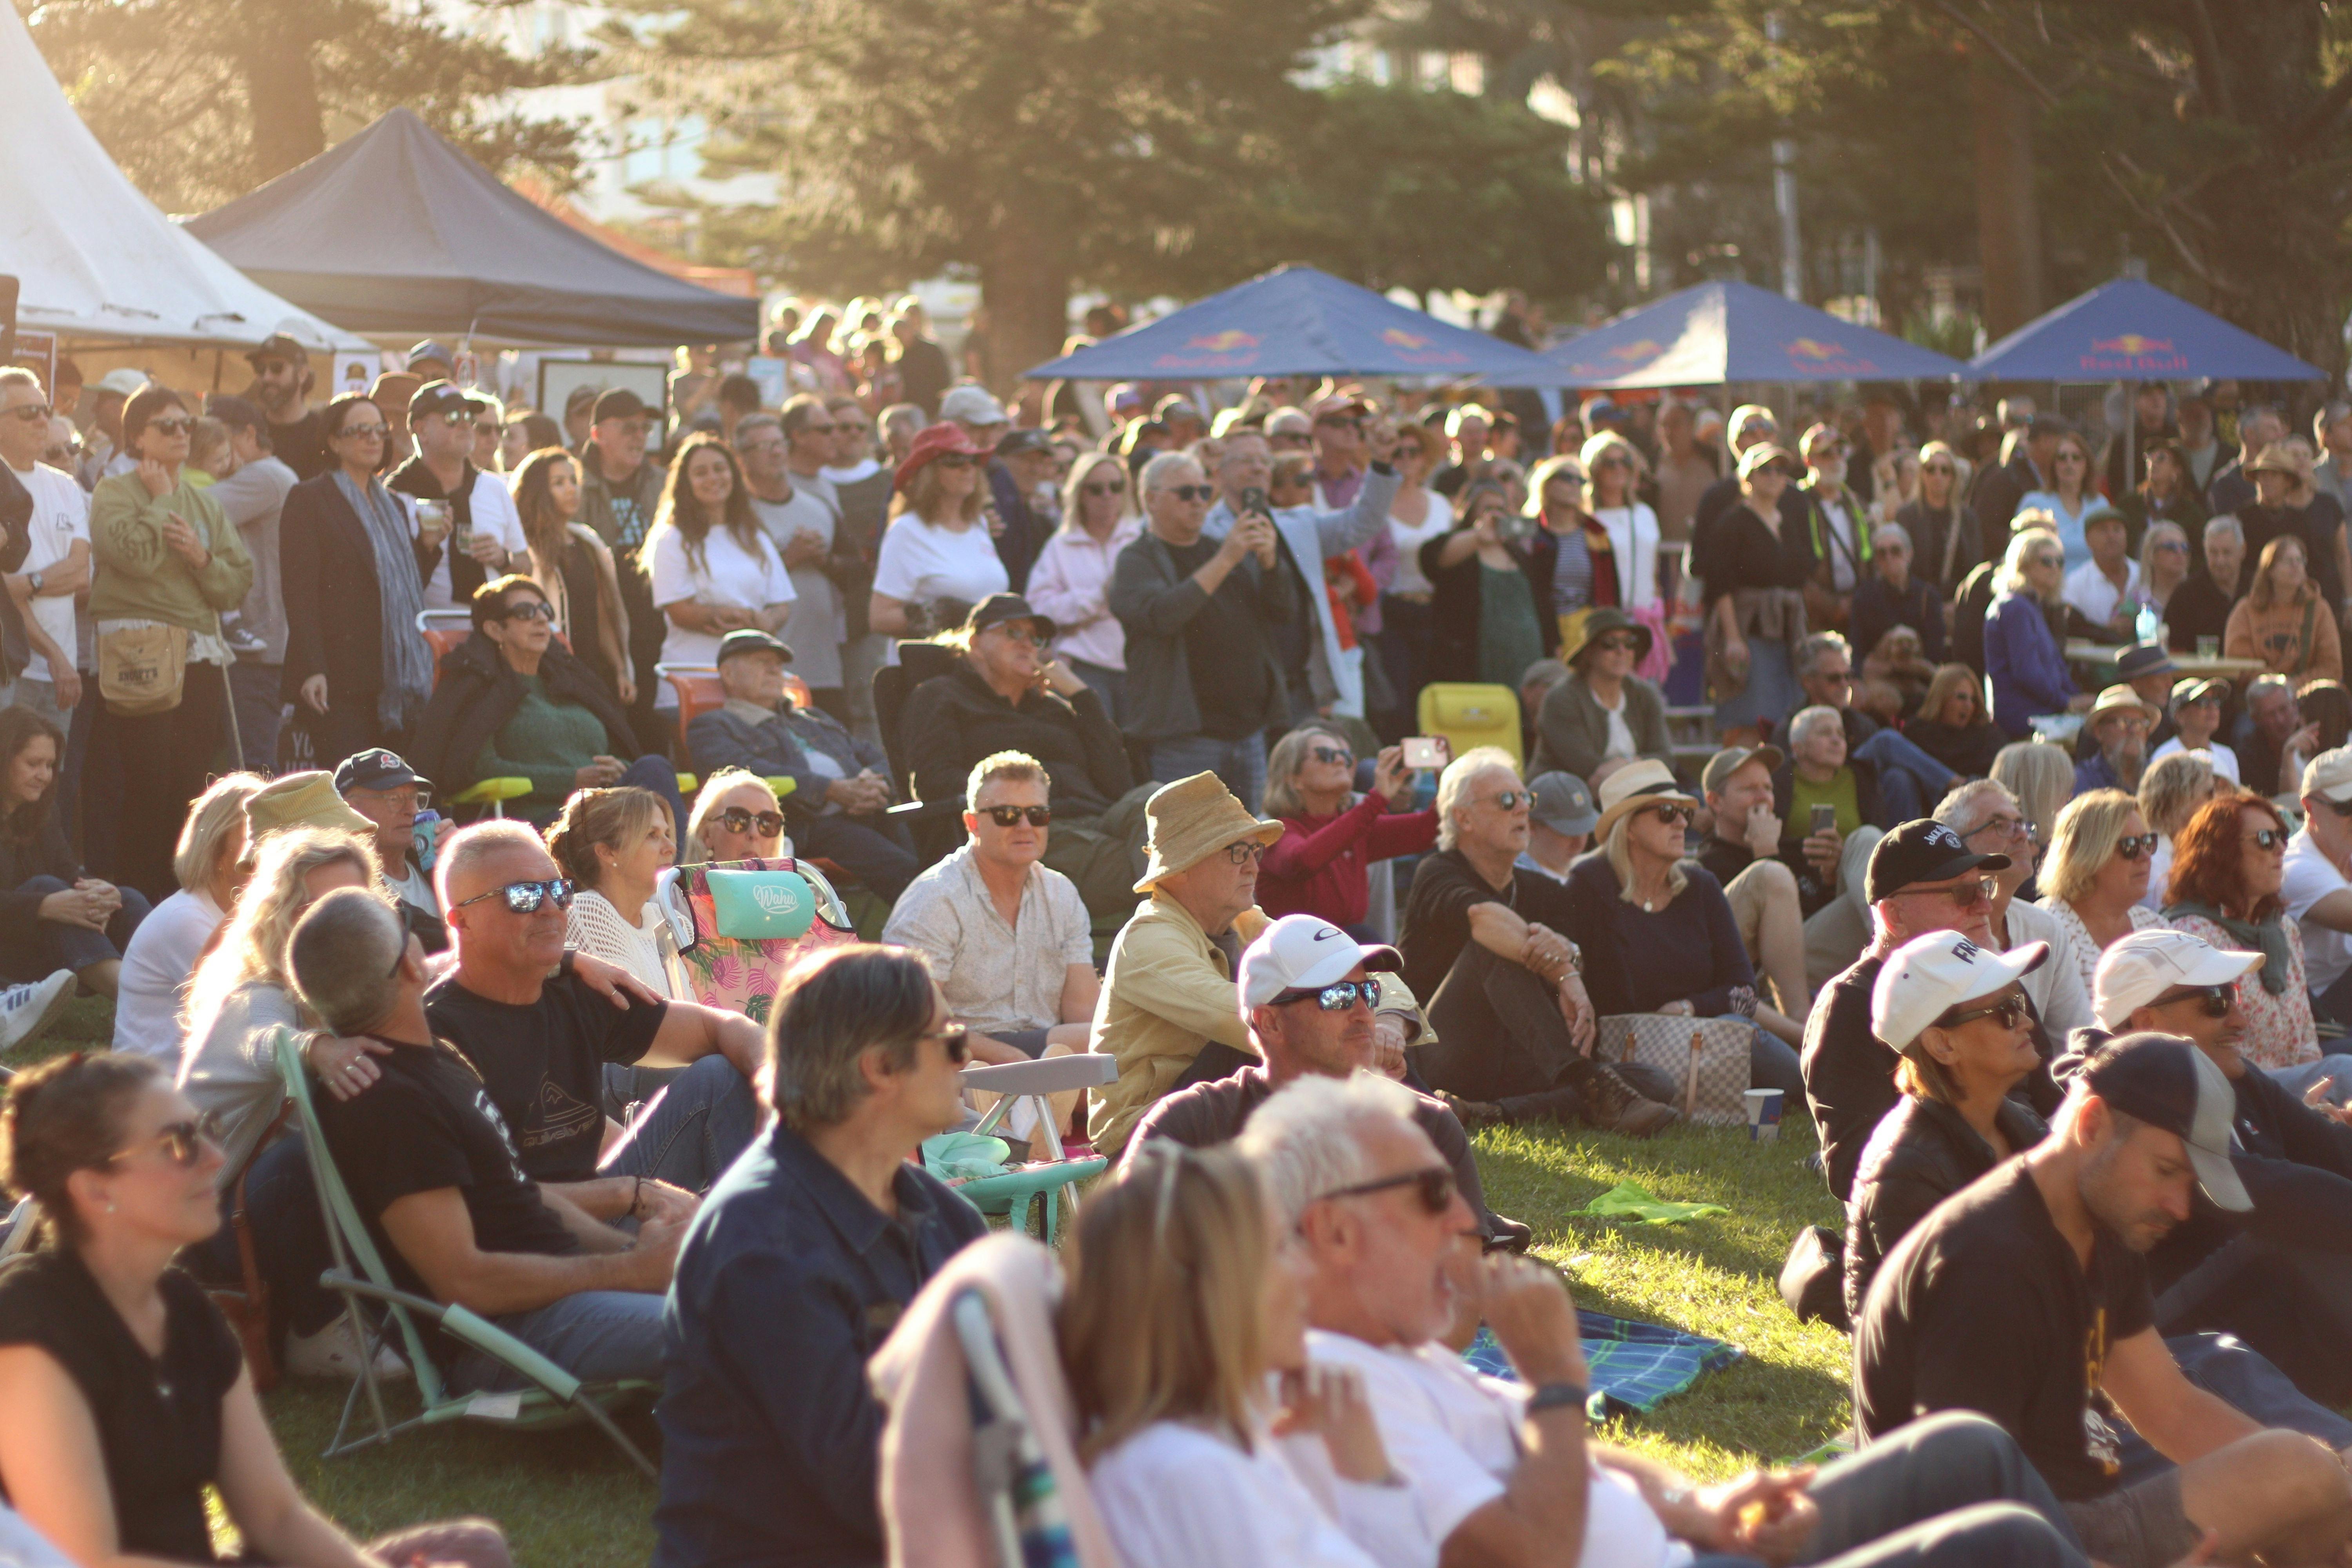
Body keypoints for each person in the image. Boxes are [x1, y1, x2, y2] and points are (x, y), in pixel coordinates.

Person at [1246, 1073, 2117, 1568]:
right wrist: (1555, 1377)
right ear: (1334, 1228)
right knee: (2003, 1547)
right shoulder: (1337, 1386)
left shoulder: (1397, 1354)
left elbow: (1554, 1450)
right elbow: (1530, 1552)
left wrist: (1692, 1503)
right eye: (1433, 1194)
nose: (1462, 1222)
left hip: (1696, 1550)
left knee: (1963, 1447)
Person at [1852, 1032, 2352, 1568]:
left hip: (2082, 1507)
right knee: (2301, 1471)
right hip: (2013, 1538)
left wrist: (2330, 1495)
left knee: (2321, 1478)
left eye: (2191, 1182)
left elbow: (2170, 1408)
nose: (2181, 1207)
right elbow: (1955, 1507)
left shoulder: (2097, 1232)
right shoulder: (1988, 1264)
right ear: (2092, 1124)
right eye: (2166, 1171)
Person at [0, 1051, 511, 1568]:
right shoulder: (31, 1330)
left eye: (206, 1127)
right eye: (178, 1144)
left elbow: (276, 1517)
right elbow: (87, 1559)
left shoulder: (183, 1308)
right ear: (94, 1188)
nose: (216, 1157)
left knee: (474, 1550)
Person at [652, 943, 982, 1568]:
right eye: (952, 1041)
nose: (967, 1057)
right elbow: (869, 1484)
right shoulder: (762, 1246)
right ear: (881, 1067)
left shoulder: (946, 1217)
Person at [287, 885, 683, 1397]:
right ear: (409, 966)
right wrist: (627, 1270)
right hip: (510, 1337)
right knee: (734, 1321)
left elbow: (517, 1200)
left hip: (565, 1293)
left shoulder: (433, 1065)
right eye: (407, 925)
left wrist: (639, 1252)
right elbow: (464, 1282)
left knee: (752, 1279)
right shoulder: (388, 1103)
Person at [1066, 1142, 1408, 1568]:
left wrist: (1361, 1465)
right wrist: (1370, 1478)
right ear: (1213, 1293)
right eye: (1284, 1247)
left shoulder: (1213, 1440)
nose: (1309, 1269)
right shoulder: (1190, 1474)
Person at [1125, 913, 1524, 1250]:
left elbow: (1461, 1296)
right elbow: (1118, 1270)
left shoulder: (1428, 1127)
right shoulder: (1189, 1127)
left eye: (1368, 991)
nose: (1364, 1013)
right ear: (1270, 1022)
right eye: (1337, 996)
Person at [2087, 927, 2352, 1407]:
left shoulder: (2227, 1070)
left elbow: (2331, 1150)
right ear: (2146, 1020)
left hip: (2249, 1305)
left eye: (2231, 994)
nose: (2239, 1017)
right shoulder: (2125, 1103)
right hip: (2161, 1333)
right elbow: (2263, 1195)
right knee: (2289, 1232)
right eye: (2214, 1002)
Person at [427, 822, 762, 1197]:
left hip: (607, 1208)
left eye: (559, 890)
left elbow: (715, 1027)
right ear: (462, 921)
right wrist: (634, 1196)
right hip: (533, 1236)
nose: (551, 908)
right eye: (524, 896)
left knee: (724, 1074)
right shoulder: (435, 1034)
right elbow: (496, 1202)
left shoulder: (577, 991)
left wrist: (773, 1076)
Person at [176, 829, 385, 1376]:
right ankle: (316, 1330)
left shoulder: (340, 996)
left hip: (256, 1219)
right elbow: (263, 1042)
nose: (339, 926)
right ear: (285, 917)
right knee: (299, 1163)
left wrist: (569, 963)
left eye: (355, 906)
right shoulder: (257, 994)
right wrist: (317, 1048)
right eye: (321, 910)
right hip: (196, 1235)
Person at [1397, 747, 1677, 1134]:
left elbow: (1573, 952)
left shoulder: (1545, 890)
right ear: (1464, 817)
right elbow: (1483, 918)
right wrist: (1566, 975)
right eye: (1507, 800)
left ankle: (1488, 1113)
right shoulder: (1438, 871)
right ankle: (1587, 1082)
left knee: (1654, 1081)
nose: (1523, 810)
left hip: (1521, 1053)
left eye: (1527, 799)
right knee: (1492, 945)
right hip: (1443, 1051)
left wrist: (1571, 960)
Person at [1803, 819, 2071, 1201]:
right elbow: (1855, 1169)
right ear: (1895, 916)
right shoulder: (1849, 1005)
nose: (1985, 904)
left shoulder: (1992, 977)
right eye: (1963, 893)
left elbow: (2053, 1101)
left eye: (1984, 887)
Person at [84, 385, 255, 900]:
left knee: (191, 787)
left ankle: (181, 900)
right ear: (137, 437)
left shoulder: (204, 503)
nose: (182, 433)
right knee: (146, 785)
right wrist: (158, 504)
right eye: (167, 426)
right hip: (141, 652)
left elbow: (238, 582)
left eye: (186, 425)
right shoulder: (114, 492)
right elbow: (133, 557)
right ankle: (135, 903)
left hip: (200, 653)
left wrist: (202, 559)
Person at [1844, 929, 2051, 1324]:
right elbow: (1955, 1321)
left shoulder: (2019, 1123)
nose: (2026, 1021)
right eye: (2006, 1011)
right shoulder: (1907, 1167)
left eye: (2020, 1001)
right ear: (1944, 1045)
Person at [899, 593, 1148, 915]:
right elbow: (935, 782)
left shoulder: (1055, 708)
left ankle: (1177, 937)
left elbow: (1118, 786)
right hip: (1030, 831)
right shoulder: (941, 696)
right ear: (974, 642)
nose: (1027, 644)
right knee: (1179, 864)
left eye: (1036, 638)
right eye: (1012, 632)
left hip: (1100, 821)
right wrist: (1019, 800)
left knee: (1161, 803)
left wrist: (1084, 698)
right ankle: (1183, 944)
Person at [1566, 758, 1808, 1074]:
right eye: (1667, 814)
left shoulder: (1700, 887)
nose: (1682, 824)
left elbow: (1744, 991)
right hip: (1627, 1053)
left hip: (1704, 1041)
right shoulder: (1590, 883)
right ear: (1629, 828)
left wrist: (1688, 1008)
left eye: (1685, 814)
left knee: (1756, 1043)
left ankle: (1815, 1062)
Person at [1087, 773, 1280, 1156]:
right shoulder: (1147, 938)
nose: (1253, 868)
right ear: (1182, 867)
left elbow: (1351, 964)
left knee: (1350, 1008)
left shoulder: (1246, 922)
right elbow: (1237, 1016)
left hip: (1203, 1120)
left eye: (1255, 851)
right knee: (1272, 1032)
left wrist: (1389, 1017)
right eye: (1237, 852)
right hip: (1140, 1145)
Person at [880, 750, 1097, 1070]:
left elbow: (1085, 1013)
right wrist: (1006, 1057)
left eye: (1038, 814)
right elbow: (910, 1020)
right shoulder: (936, 898)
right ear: (973, 823)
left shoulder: (1061, 893)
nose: (1025, 825)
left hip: (1045, 1052)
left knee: (1112, 1041)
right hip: (959, 1059)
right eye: (1007, 815)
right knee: (1094, 1044)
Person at [413, 575, 683, 829]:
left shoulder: (569, 683)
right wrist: (570, 780)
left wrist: (620, 767)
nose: (542, 619)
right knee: (618, 822)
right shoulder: (484, 692)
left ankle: (674, 873)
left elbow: (619, 747)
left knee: (654, 767)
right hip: (548, 820)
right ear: (495, 630)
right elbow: (478, 766)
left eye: (545, 611)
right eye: (525, 613)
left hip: (605, 809)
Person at [1111, 450, 1293, 801]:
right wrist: (1226, 559)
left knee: (1248, 843)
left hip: (1249, 730)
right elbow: (1163, 616)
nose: (1197, 502)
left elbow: (1281, 613)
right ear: (1151, 499)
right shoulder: (1137, 559)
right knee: (1186, 845)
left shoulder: (1224, 549)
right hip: (1187, 738)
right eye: (1185, 493)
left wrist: (1270, 564)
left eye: (1204, 492)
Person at [683, 627, 915, 900]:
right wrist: (829, 789)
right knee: (906, 871)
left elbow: (876, 756)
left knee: (934, 857)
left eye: (778, 666)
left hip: (872, 810)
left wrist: (874, 783)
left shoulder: (812, 717)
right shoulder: (713, 725)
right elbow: (737, 774)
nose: (774, 671)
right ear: (729, 674)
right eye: (762, 663)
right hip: (808, 823)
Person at [278, 394, 436, 766]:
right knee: (352, 794)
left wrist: (427, 549)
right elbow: (299, 592)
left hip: (393, 681)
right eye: (359, 430)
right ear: (334, 441)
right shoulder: (310, 498)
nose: (372, 439)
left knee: (394, 793)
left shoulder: (393, 505)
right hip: (337, 678)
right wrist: (313, 668)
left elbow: (402, 589)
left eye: (379, 430)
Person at [2163, 789, 2332, 1087]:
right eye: (2266, 840)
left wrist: (2315, 1100)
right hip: (2241, 1091)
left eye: (2282, 836)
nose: (2281, 848)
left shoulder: (2284, 930)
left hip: (2294, 1093)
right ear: (2222, 853)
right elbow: (2204, 1051)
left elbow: (2307, 1036)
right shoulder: (2193, 936)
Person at [0, 706, 146, 1014]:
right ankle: (142, 1001)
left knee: (127, 899)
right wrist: (42, 906)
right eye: (33, 764)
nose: (44, 776)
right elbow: (50, 891)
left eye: (50, 765)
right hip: (8, 948)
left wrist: (101, 893)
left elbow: (69, 872)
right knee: (47, 887)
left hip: (46, 939)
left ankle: (180, 983)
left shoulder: (43, 813)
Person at [644, 432, 795, 712]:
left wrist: (763, 619)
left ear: (734, 475)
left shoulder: (754, 536)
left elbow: (782, 604)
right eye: (701, 473)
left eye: (720, 469)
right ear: (685, 484)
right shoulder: (671, 540)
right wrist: (732, 617)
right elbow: (679, 610)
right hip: (693, 681)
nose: (713, 478)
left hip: (755, 689)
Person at [1936, 779, 2094, 1039]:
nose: (2021, 835)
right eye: (2001, 825)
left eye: (2021, 824)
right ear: (1957, 846)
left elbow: (2077, 1039)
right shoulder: (1940, 936)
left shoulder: (2046, 929)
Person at [1257, 727, 1436, 934]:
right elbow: (1303, 860)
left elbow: (1429, 829)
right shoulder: (1274, 830)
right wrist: (1376, 801)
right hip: (1295, 955)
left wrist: (1449, 776)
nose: (1341, 762)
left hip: (1344, 947)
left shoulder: (1355, 827)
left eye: (1346, 756)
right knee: (1364, 937)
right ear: (1293, 779)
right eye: (1326, 755)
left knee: (1364, 938)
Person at [202, 394, 299, 772]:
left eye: (219, 437)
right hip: (254, 645)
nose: (211, 446)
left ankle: (260, 835)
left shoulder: (265, 476)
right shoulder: (267, 475)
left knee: (251, 768)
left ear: (248, 435)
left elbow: (186, 508)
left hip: (257, 649)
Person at [739, 405, 849, 716]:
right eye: (764, 447)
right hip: (766, 673)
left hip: (824, 666)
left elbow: (858, 573)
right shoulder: (737, 517)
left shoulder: (819, 507)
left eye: (779, 444)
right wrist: (788, 558)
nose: (776, 453)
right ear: (742, 458)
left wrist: (824, 560)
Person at [0, 370, 91, 744]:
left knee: (48, 787)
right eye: (27, 413)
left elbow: (81, 574)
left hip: (60, 670)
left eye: (45, 409)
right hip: (15, 668)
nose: (43, 420)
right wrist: (53, 654)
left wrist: (31, 583)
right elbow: (5, 592)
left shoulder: (65, 485)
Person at [574, 389, 668, 746]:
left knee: (654, 726)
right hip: (598, 624)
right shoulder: (574, 483)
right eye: (629, 428)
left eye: (645, 429)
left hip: (655, 621)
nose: (640, 437)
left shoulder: (663, 482)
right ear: (598, 434)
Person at [1699, 442, 1813, 737]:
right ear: (1747, 478)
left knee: (1786, 721)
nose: (1774, 476)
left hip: (1787, 633)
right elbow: (1720, 584)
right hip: (1749, 630)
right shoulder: (1732, 523)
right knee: (1750, 721)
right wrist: (1734, 638)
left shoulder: (1787, 523)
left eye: (1780, 470)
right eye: (1765, 470)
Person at [386, 382, 526, 614]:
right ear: (421, 430)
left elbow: (526, 565)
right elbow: (388, 582)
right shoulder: (396, 494)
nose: (465, 425)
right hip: (425, 632)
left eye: (469, 417)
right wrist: (424, 547)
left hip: (489, 630)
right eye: (452, 417)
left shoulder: (494, 488)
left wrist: (503, 558)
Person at [1024, 449, 1142, 724]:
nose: (1107, 496)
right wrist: (1099, 598)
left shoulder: (1140, 538)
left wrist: (1080, 615)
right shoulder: (1060, 546)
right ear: (1079, 494)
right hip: (1086, 668)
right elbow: (1038, 610)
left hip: (1139, 666)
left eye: (1116, 487)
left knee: (1140, 755)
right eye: (1096, 489)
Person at [511, 446, 632, 706]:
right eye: (559, 483)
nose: (571, 489)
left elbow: (601, 614)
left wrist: (621, 669)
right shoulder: (524, 548)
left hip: (591, 670)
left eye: (574, 481)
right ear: (539, 492)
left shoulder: (588, 543)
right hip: (547, 671)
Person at [869, 423, 1008, 639]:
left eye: (973, 460)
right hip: (932, 667)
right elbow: (880, 617)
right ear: (928, 472)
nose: (968, 468)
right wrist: (941, 617)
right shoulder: (907, 530)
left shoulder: (978, 523)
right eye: (954, 460)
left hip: (981, 665)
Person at [1418, 479, 1557, 689]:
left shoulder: (1520, 555)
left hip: (1526, 666)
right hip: (1474, 669)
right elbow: (1433, 559)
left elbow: (1544, 605)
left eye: (1501, 509)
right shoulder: (1461, 549)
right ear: (1470, 511)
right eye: (1488, 509)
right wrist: (1479, 536)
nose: (1496, 515)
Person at [549, 786, 678, 999]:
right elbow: (642, 1018)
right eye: (652, 835)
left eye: (667, 834)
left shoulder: (672, 920)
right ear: (607, 852)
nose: (671, 847)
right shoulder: (587, 911)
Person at [1528, 608, 1672, 780]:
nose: (1621, 651)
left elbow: (1665, 757)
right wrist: (1640, 765)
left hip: (1630, 790)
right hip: (1565, 795)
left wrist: (1627, 764)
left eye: (1629, 642)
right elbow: (1589, 768)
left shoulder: (1645, 695)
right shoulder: (1561, 699)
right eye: (1609, 643)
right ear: (1589, 652)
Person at [1375, 424, 1452, 722]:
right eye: (1397, 453)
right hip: (1392, 613)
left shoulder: (1441, 504)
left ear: (1425, 458)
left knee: (1435, 698)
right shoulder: (1375, 506)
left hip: (1437, 612)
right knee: (1400, 702)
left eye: (1413, 452)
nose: (1406, 459)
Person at [1985, 524, 2085, 738]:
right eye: (2046, 561)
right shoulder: (2015, 608)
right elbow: (2027, 673)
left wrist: (2080, 697)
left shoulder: (2030, 607)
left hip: (2042, 709)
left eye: (2060, 562)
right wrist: (2067, 702)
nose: (2055, 568)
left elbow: (2055, 669)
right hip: (2024, 716)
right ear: (2023, 565)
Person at [2225, 533, 2340, 683]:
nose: (2296, 566)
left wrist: (2295, 685)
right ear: (2270, 570)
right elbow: (2238, 662)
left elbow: (2332, 667)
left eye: (2300, 560)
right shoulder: (2246, 609)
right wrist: (2274, 685)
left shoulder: (2319, 609)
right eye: (2288, 561)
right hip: (2260, 697)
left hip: (2307, 696)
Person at [1851, 523, 1946, 677]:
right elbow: (1858, 652)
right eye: (1882, 553)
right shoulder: (1864, 598)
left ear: (1910, 554)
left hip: (1921, 678)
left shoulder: (1928, 597)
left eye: (1896, 551)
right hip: (1880, 681)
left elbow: (1936, 653)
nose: (1889, 558)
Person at [2136, 751, 2217, 913]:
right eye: (2208, 794)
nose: (2216, 801)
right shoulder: (2150, 865)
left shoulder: (2195, 851)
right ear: (2179, 798)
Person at [2163, 513, 2246, 657]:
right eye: (2213, 553)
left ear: (2243, 551)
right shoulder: (2186, 595)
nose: (2220, 561)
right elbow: (2174, 651)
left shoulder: (2257, 590)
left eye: (2227, 553)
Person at [2016, 428, 2100, 567]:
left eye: (2076, 458)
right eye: (2062, 458)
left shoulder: (2099, 504)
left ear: (2087, 465)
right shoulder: (2034, 503)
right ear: (2053, 465)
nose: (2069, 463)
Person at [1900, 440, 1978, 588]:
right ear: (1922, 474)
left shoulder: (1968, 518)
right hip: (1918, 603)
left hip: (1957, 603)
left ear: (1953, 477)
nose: (1938, 476)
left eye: (1945, 470)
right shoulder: (1907, 516)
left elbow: (1974, 567)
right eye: (1931, 469)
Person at [1905, 664, 2004, 778]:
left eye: (1973, 700)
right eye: (1961, 697)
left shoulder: (1987, 738)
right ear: (1941, 698)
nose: (1969, 705)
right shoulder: (1916, 734)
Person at [2062, 506, 2140, 637]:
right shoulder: (2074, 584)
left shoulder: (2144, 574)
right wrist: (2105, 632)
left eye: (2117, 529)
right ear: (2088, 540)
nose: (2111, 536)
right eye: (2103, 530)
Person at [2240, 672, 2320, 798]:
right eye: (2270, 715)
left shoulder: (2317, 733)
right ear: (2256, 719)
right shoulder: (2249, 753)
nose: (2280, 720)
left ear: (2295, 705)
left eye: (2283, 709)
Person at [2072, 685, 2160, 794]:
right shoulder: (2083, 781)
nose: (2133, 731)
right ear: (2100, 732)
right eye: (2123, 723)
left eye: (2139, 724)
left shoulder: (2158, 778)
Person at [2152, 676, 2238, 781]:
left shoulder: (2227, 756)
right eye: (2202, 702)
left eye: (2215, 701)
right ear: (2180, 716)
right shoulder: (2164, 757)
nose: (2212, 707)